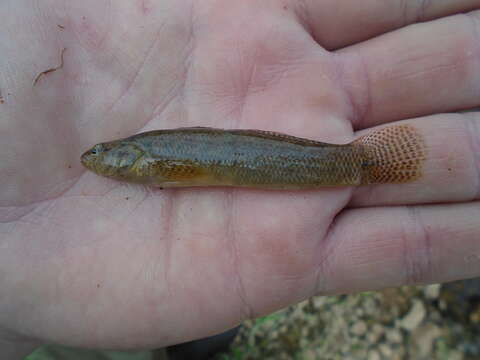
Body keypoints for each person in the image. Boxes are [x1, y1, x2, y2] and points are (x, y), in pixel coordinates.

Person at [1, 1, 480, 358]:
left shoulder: (148, 160)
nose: (96, 158)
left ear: (131, 158)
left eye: (104, 154)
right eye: (101, 154)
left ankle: (360, 164)